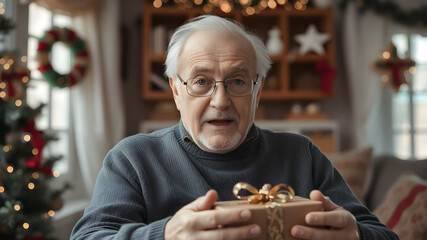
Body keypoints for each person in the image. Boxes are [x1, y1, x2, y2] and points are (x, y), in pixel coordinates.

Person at [71, 15, 398, 240]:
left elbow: (383, 235)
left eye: (238, 81)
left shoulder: (301, 154)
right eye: (201, 82)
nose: (220, 100)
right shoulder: (132, 158)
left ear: (258, 88)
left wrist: (355, 233)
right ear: (175, 89)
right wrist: (166, 234)